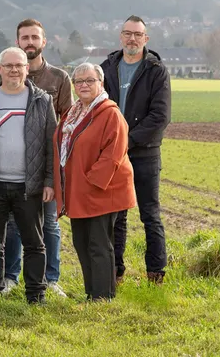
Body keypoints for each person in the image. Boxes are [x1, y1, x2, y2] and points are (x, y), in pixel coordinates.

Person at [0, 48, 57, 304]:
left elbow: (51, 145)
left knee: (34, 243)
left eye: (19, 65)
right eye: (8, 65)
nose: (14, 70)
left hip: (29, 187)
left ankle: (36, 294)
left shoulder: (42, 101)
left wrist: (49, 181)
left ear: (27, 68)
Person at [1, 19, 73, 296]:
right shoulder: (8, 75)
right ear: (17, 42)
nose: (29, 42)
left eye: (34, 37)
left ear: (44, 42)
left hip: (47, 164)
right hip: (14, 167)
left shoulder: (59, 78)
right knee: (13, 224)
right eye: (25, 38)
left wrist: (58, 169)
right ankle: (11, 277)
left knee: (50, 224)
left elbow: (67, 122)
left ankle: (50, 278)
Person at [55, 63, 137, 301]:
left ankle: (103, 296)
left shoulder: (110, 113)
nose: (84, 85)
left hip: (101, 190)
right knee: (81, 242)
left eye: (90, 80)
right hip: (78, 190)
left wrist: (91, 182)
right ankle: (92, 293)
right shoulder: (73, 113)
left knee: (99, 244)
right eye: (79, 81)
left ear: (101, 83)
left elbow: (113, 153)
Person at [100, 15, 170, 284]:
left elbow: (160, 117)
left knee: (150, 214)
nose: (132, 39)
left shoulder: (156, 70)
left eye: (138, 34)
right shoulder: (106, 68)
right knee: (117, 214)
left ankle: (156, 272)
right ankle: (115, 271)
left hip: (145, 153)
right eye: (128, 33)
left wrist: (127, 140)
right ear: (121, 36)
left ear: (145, 39)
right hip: (114, 154)